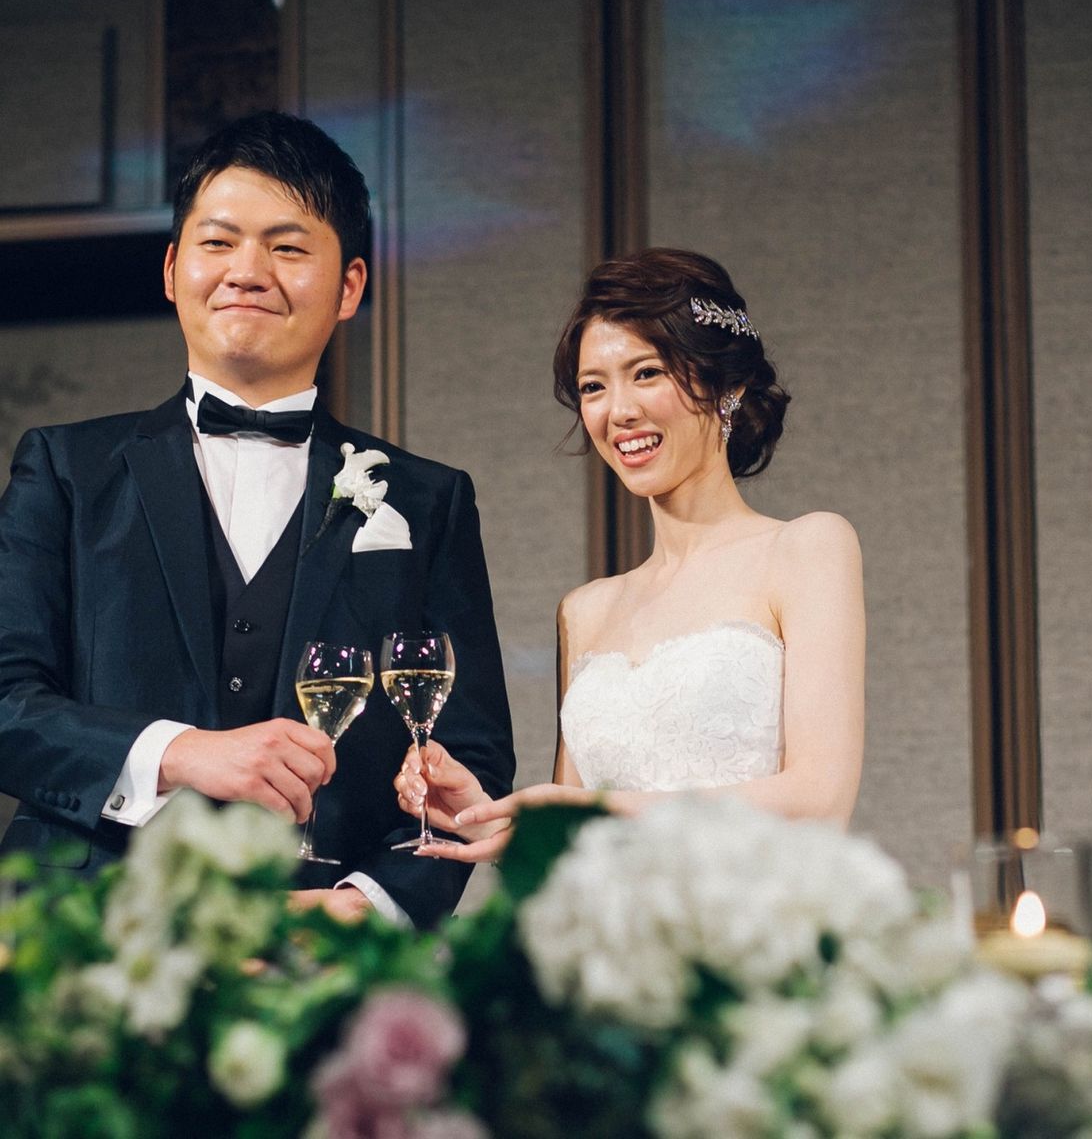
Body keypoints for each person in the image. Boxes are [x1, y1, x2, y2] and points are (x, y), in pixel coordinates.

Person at [0, 112, 514, 930]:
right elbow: (7, 702)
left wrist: (366, 908)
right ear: (172, 269)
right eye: (218, 242)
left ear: (350, 287)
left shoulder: (427, 499)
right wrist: (180, 752)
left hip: (327, 951)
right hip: (83, 932)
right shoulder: (65, 470)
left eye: (287, 247)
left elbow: (470, 753)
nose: (247, 271)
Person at [395, 247, 863, 861]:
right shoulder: (585, 611)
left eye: (646, 373)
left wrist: (595, 809)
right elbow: (571, 855)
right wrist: (485, 818)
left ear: (725, 384)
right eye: (594, 387)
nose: (619, 411)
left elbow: (820, 800)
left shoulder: (806, 548)